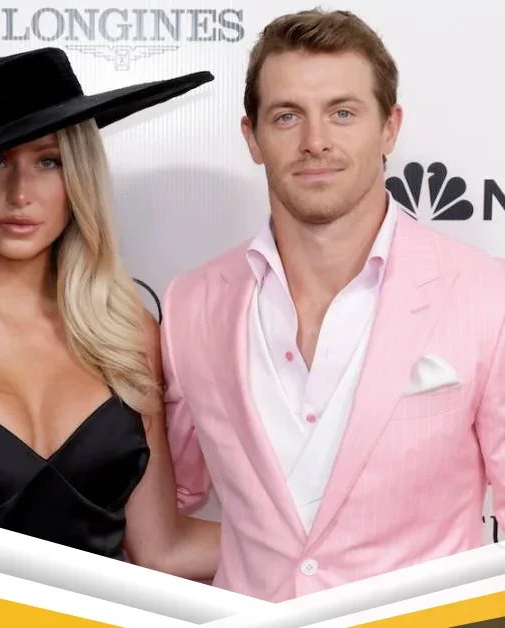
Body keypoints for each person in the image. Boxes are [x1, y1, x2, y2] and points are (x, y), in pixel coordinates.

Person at [161, 8, 505, 601]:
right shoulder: (191, 304)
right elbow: (173, 495)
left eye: (343, 113)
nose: (315, 141)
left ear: (390, 128)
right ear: (252, 137)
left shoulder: (486, 294)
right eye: (287, 116)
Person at [0, 47, 220, 580]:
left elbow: (161, 551)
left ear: (78, 177)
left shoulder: (126, 334)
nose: (20, 193)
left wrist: (331, 548)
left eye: (48, 161)